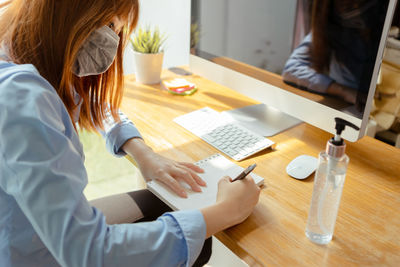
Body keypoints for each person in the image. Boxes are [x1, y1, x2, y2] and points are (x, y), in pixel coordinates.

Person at [0, 1, 261, 266]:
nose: (113, 40)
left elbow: (94, 102)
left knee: (182, 221)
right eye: (112, 25)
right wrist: (227, 211)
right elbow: (90, 252)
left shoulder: (23, 50)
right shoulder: (22, 98)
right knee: (197, 232)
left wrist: (142, 152)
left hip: (35, 234)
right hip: (32, 254)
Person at [282, 0, 387, 110]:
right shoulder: (333, 25)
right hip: (349, 105)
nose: (355, 8)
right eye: (347, 5)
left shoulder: (386, 26)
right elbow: (292, 68)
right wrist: (342, 91)